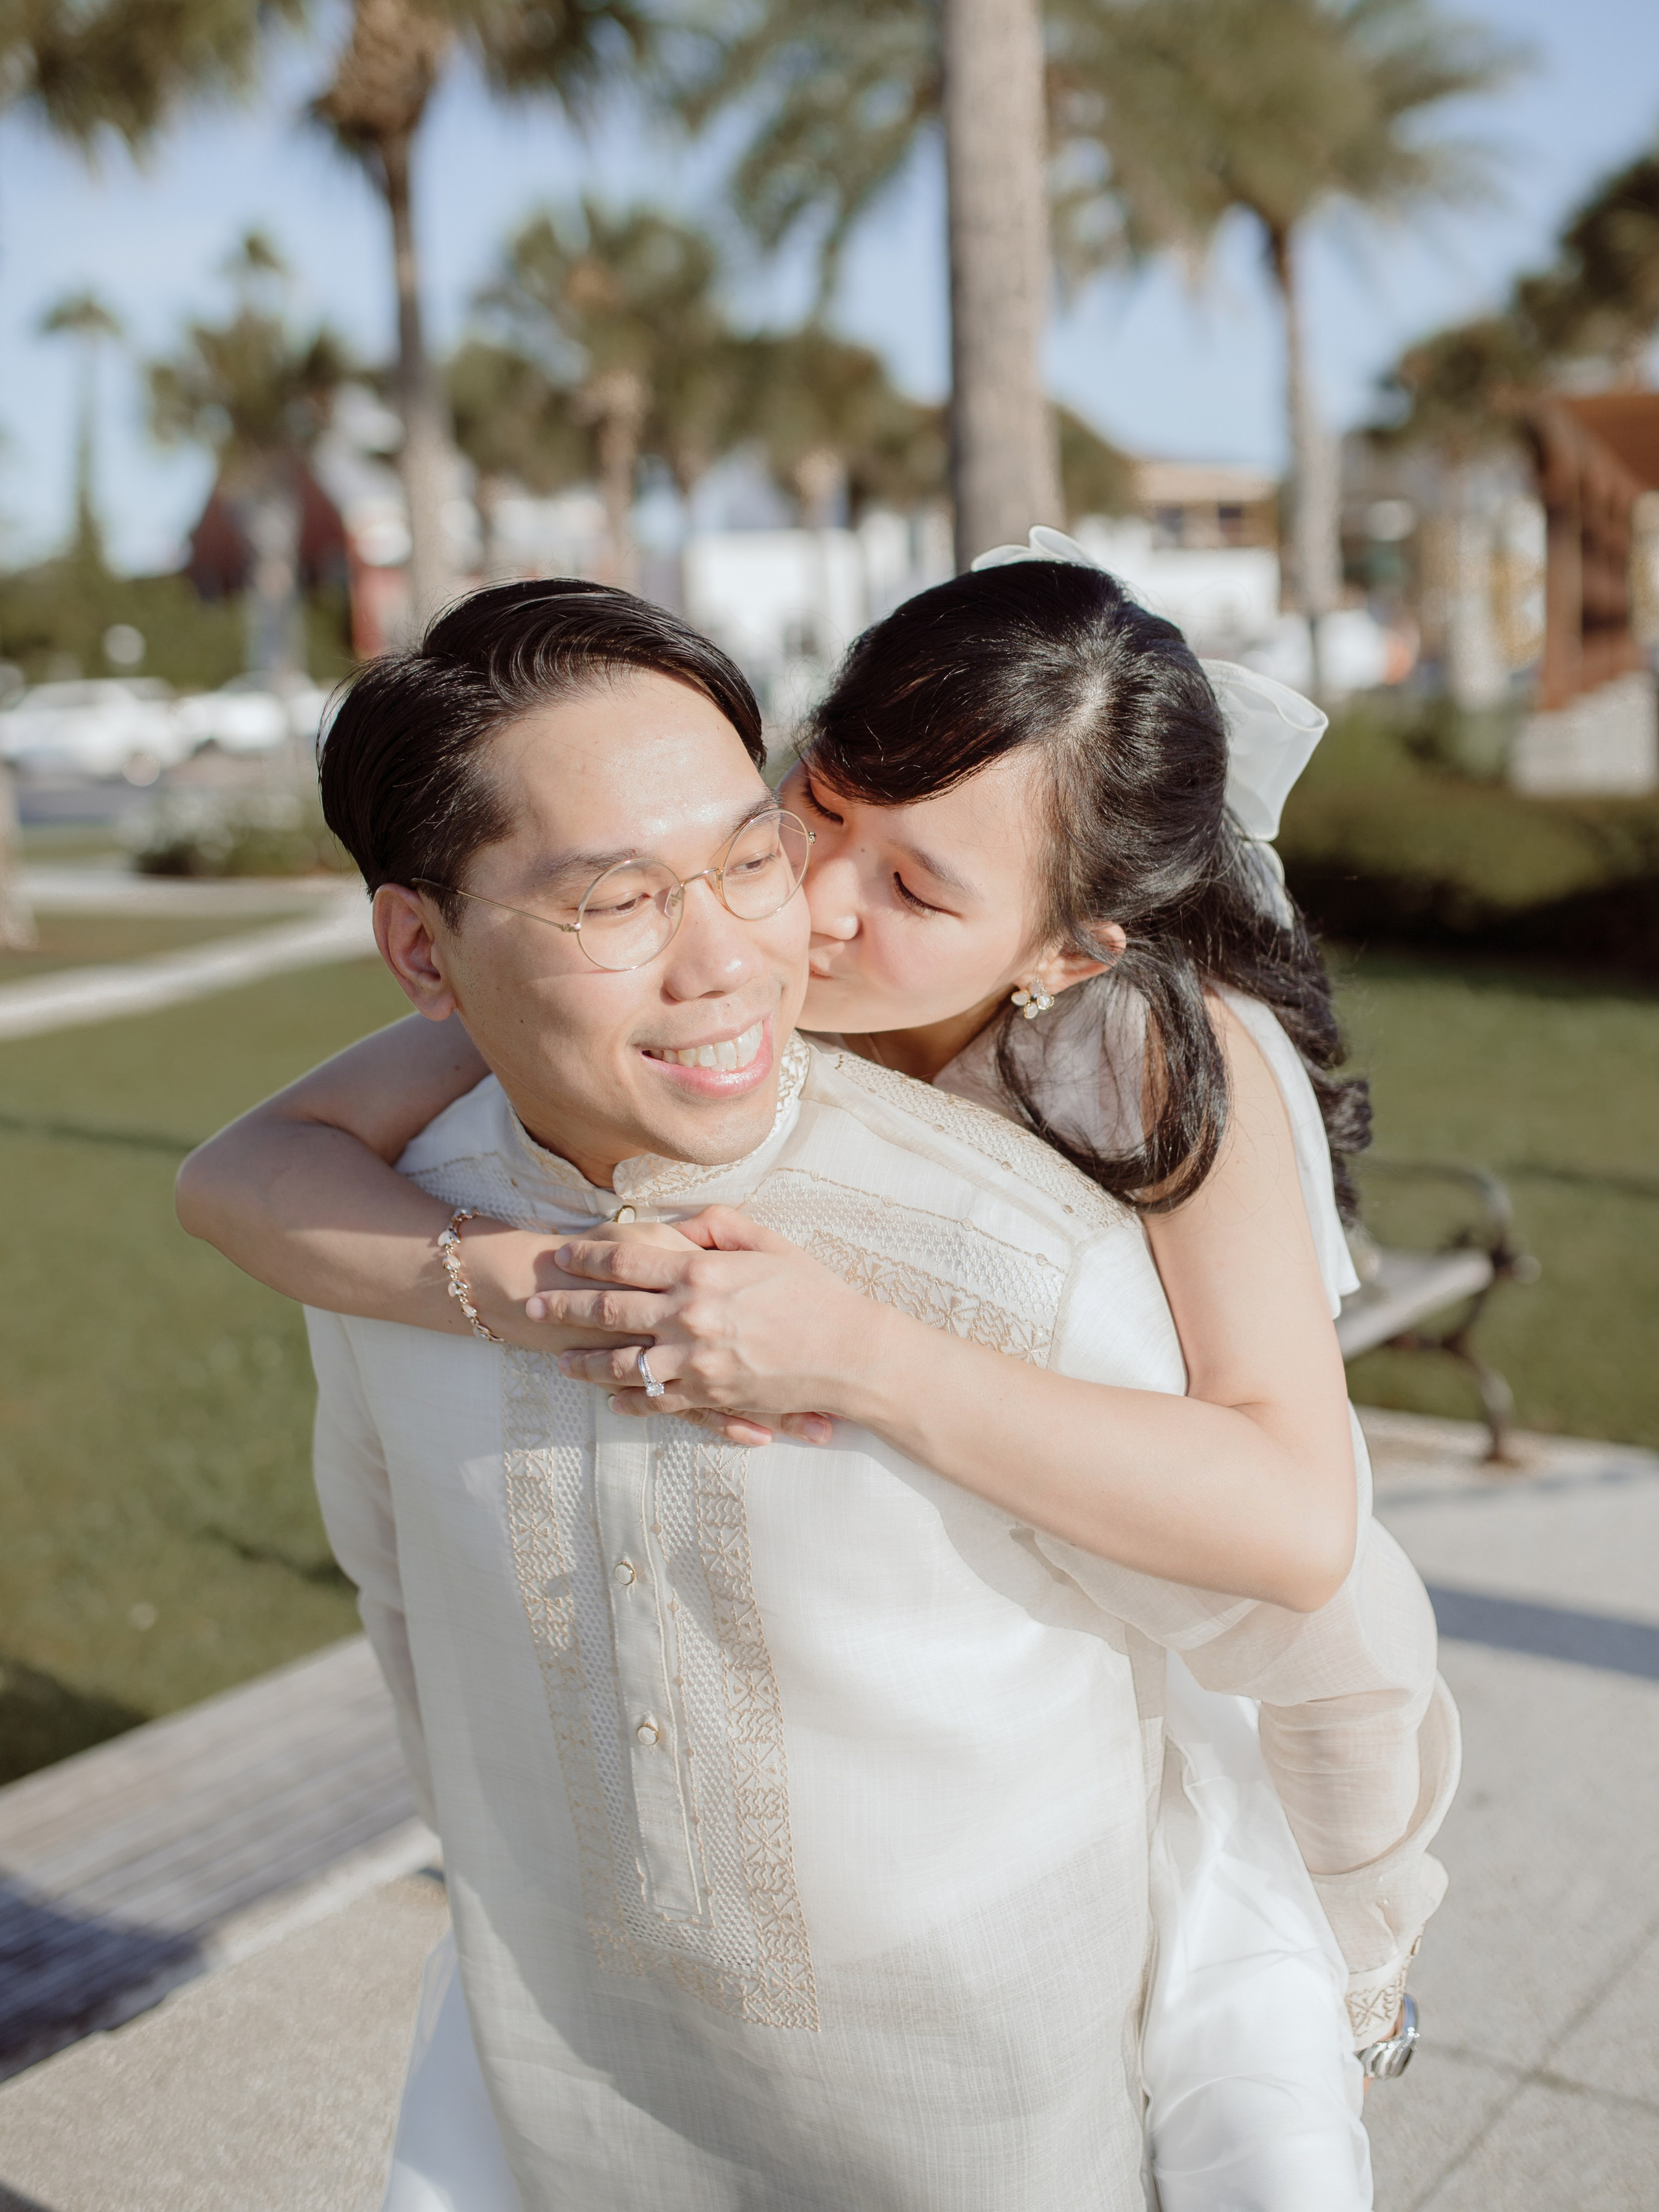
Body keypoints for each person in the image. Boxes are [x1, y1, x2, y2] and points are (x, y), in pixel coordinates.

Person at [179, 570, 1452, 2210]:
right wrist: (511, 1286)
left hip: (1145, 1603)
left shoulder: (1146, 1062)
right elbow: (243, 1176)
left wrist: (855, 1351)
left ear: (1064, 949)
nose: (810, 912)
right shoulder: (677, 961)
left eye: (915, 888)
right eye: (813, 811)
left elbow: (1298, 1536)